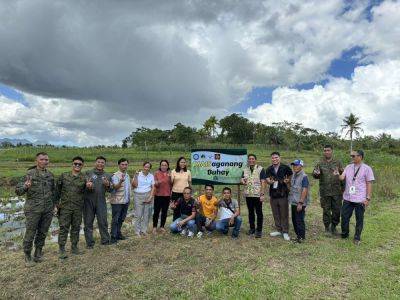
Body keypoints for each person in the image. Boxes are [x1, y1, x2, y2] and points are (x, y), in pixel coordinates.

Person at [16, 152, 56, 267]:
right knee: (30, 232)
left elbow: (53, 192)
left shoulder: (50, 175)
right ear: (36, 161)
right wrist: (25, 187)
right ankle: (27, 255)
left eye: (46, 160)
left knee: (43, 232)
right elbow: (18, 191)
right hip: (33, 209)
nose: (44, 161)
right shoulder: (29, 174)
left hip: (47, 209)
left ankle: (38, 253)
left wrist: (54, 206)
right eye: (42, 159)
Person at [338, 150, 374, 245]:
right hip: (348, 197)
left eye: (354, 156)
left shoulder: (367, 168)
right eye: (351, 156)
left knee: (359, 219)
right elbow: (342, 177)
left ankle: (357, 237)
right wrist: (337, 174)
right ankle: (345, 234)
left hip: (360, 198)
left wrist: (368, 198)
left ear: (360, 157)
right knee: (344, 216)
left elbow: (369, 183)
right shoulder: (348, 167)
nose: (352, 158)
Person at [55, 156, 87, 259]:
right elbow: (57, 191)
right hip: (65, 207)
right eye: (75, 164)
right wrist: (56, 204)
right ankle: (61, 248)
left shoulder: (84, 178)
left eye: (79, 164)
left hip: (78, 207)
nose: (77, 165)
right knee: (64, 227)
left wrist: (90, 186)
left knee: (76, 227)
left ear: (82, 166)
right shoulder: (63, 176)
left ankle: (74, 247)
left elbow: (87, 192)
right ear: (72, 164)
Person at [313, 145, 344, 235]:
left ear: (332, 151)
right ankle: (327, 227)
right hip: (325, 191)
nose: (326, 152)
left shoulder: (338, 162)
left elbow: (343, 175)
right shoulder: (320, 163)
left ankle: (334, 226)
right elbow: (315, 175)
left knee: (337, 210)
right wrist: (316, 174)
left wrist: (343, 188)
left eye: (328, 150)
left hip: (336, 191)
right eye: (325, 150)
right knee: (326, 210)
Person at [83, 156, 112, 248]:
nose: (100, 164)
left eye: (102, 162)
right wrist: (87, 186)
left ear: (104, 164)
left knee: (103, 221)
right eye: (98, 162)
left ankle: (105, 240)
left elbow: (110, 190)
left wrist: (108, 185)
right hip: (88, 201)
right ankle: (89, 243)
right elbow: (81, 187)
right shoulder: (88, 173)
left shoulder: (108, 175)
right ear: (95, 163)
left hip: (101, 201)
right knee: (88, 222)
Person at [266, 152, 293, 241]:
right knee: (276, 213)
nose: (274, 159)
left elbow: (291, 176)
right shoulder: (269, 169)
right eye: (273, 158)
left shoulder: (285, 168)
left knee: (284, 213)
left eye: (276, 157)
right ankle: (278, 230)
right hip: (273, 194)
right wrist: (269, 182)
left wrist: (288, 181)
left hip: (283, 193)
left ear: (279, 158)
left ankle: (285, 231)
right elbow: (267, 179)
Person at [241, 154, 267, 238]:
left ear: (255, 160)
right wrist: (242, 180)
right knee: (250, 212)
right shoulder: (245, 170)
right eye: (249, 159)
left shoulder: (261, 169)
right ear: (248, 160)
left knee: (259, 213)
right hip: (248, 195)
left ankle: (259, 230)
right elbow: (242, 179)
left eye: (253, 159)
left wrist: (262, 194)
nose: (251, 160)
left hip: (257, 195)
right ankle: (252, 229)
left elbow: (263, 182)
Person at [110, 158, 132, 243]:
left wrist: (129, 199)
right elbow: (115, 187)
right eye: (122, 164)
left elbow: (128, 188)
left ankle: (118, 234)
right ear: (119, 165)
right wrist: (120, 181)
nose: (124, 166)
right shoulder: (115, 176)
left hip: (125, 201)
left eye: (126, 164)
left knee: (122, 218)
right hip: (117, 201)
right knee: (115, 219)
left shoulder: (127, 175)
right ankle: (113, 236)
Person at [288, 160, 310, 243]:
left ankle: (301, 237)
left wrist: (300, 203)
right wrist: (287, 183)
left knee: (299, 220)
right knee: (294, 220)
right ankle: (298, 236)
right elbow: (292, 187)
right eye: (294, 165)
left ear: (301, 166)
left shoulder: (304, 176)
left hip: (299, 203)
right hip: (293, 201)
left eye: (297, 165)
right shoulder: (294, 175)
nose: (295, 167)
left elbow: (305, 190)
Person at [132, 161, 155, 237]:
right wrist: (135, 176)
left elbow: (153, 187)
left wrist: (150, 197)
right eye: (145, 166)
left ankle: (144, 230)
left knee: (146, 214)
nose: (146, 168)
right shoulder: (138, 174)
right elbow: (134, 185)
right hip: (138, 195)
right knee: (138, 214)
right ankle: (137, 231)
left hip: (148, 194)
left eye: (148, 167)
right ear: (143, 167)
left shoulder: (151, 176)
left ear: (150, 168)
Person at [152, 160, 172, 234]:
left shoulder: (170, 174)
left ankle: (162, 226)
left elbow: (172, 184)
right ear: (160, 166)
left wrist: (170, 178)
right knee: (156, 212)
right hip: (158, 195)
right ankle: (154, 227)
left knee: (164, 212)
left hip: (167, 195)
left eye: (165, 165)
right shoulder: (156, 173)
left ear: (167, 166)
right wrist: (161, 180)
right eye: (162, 165)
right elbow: (155, 184)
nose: (164, 166)